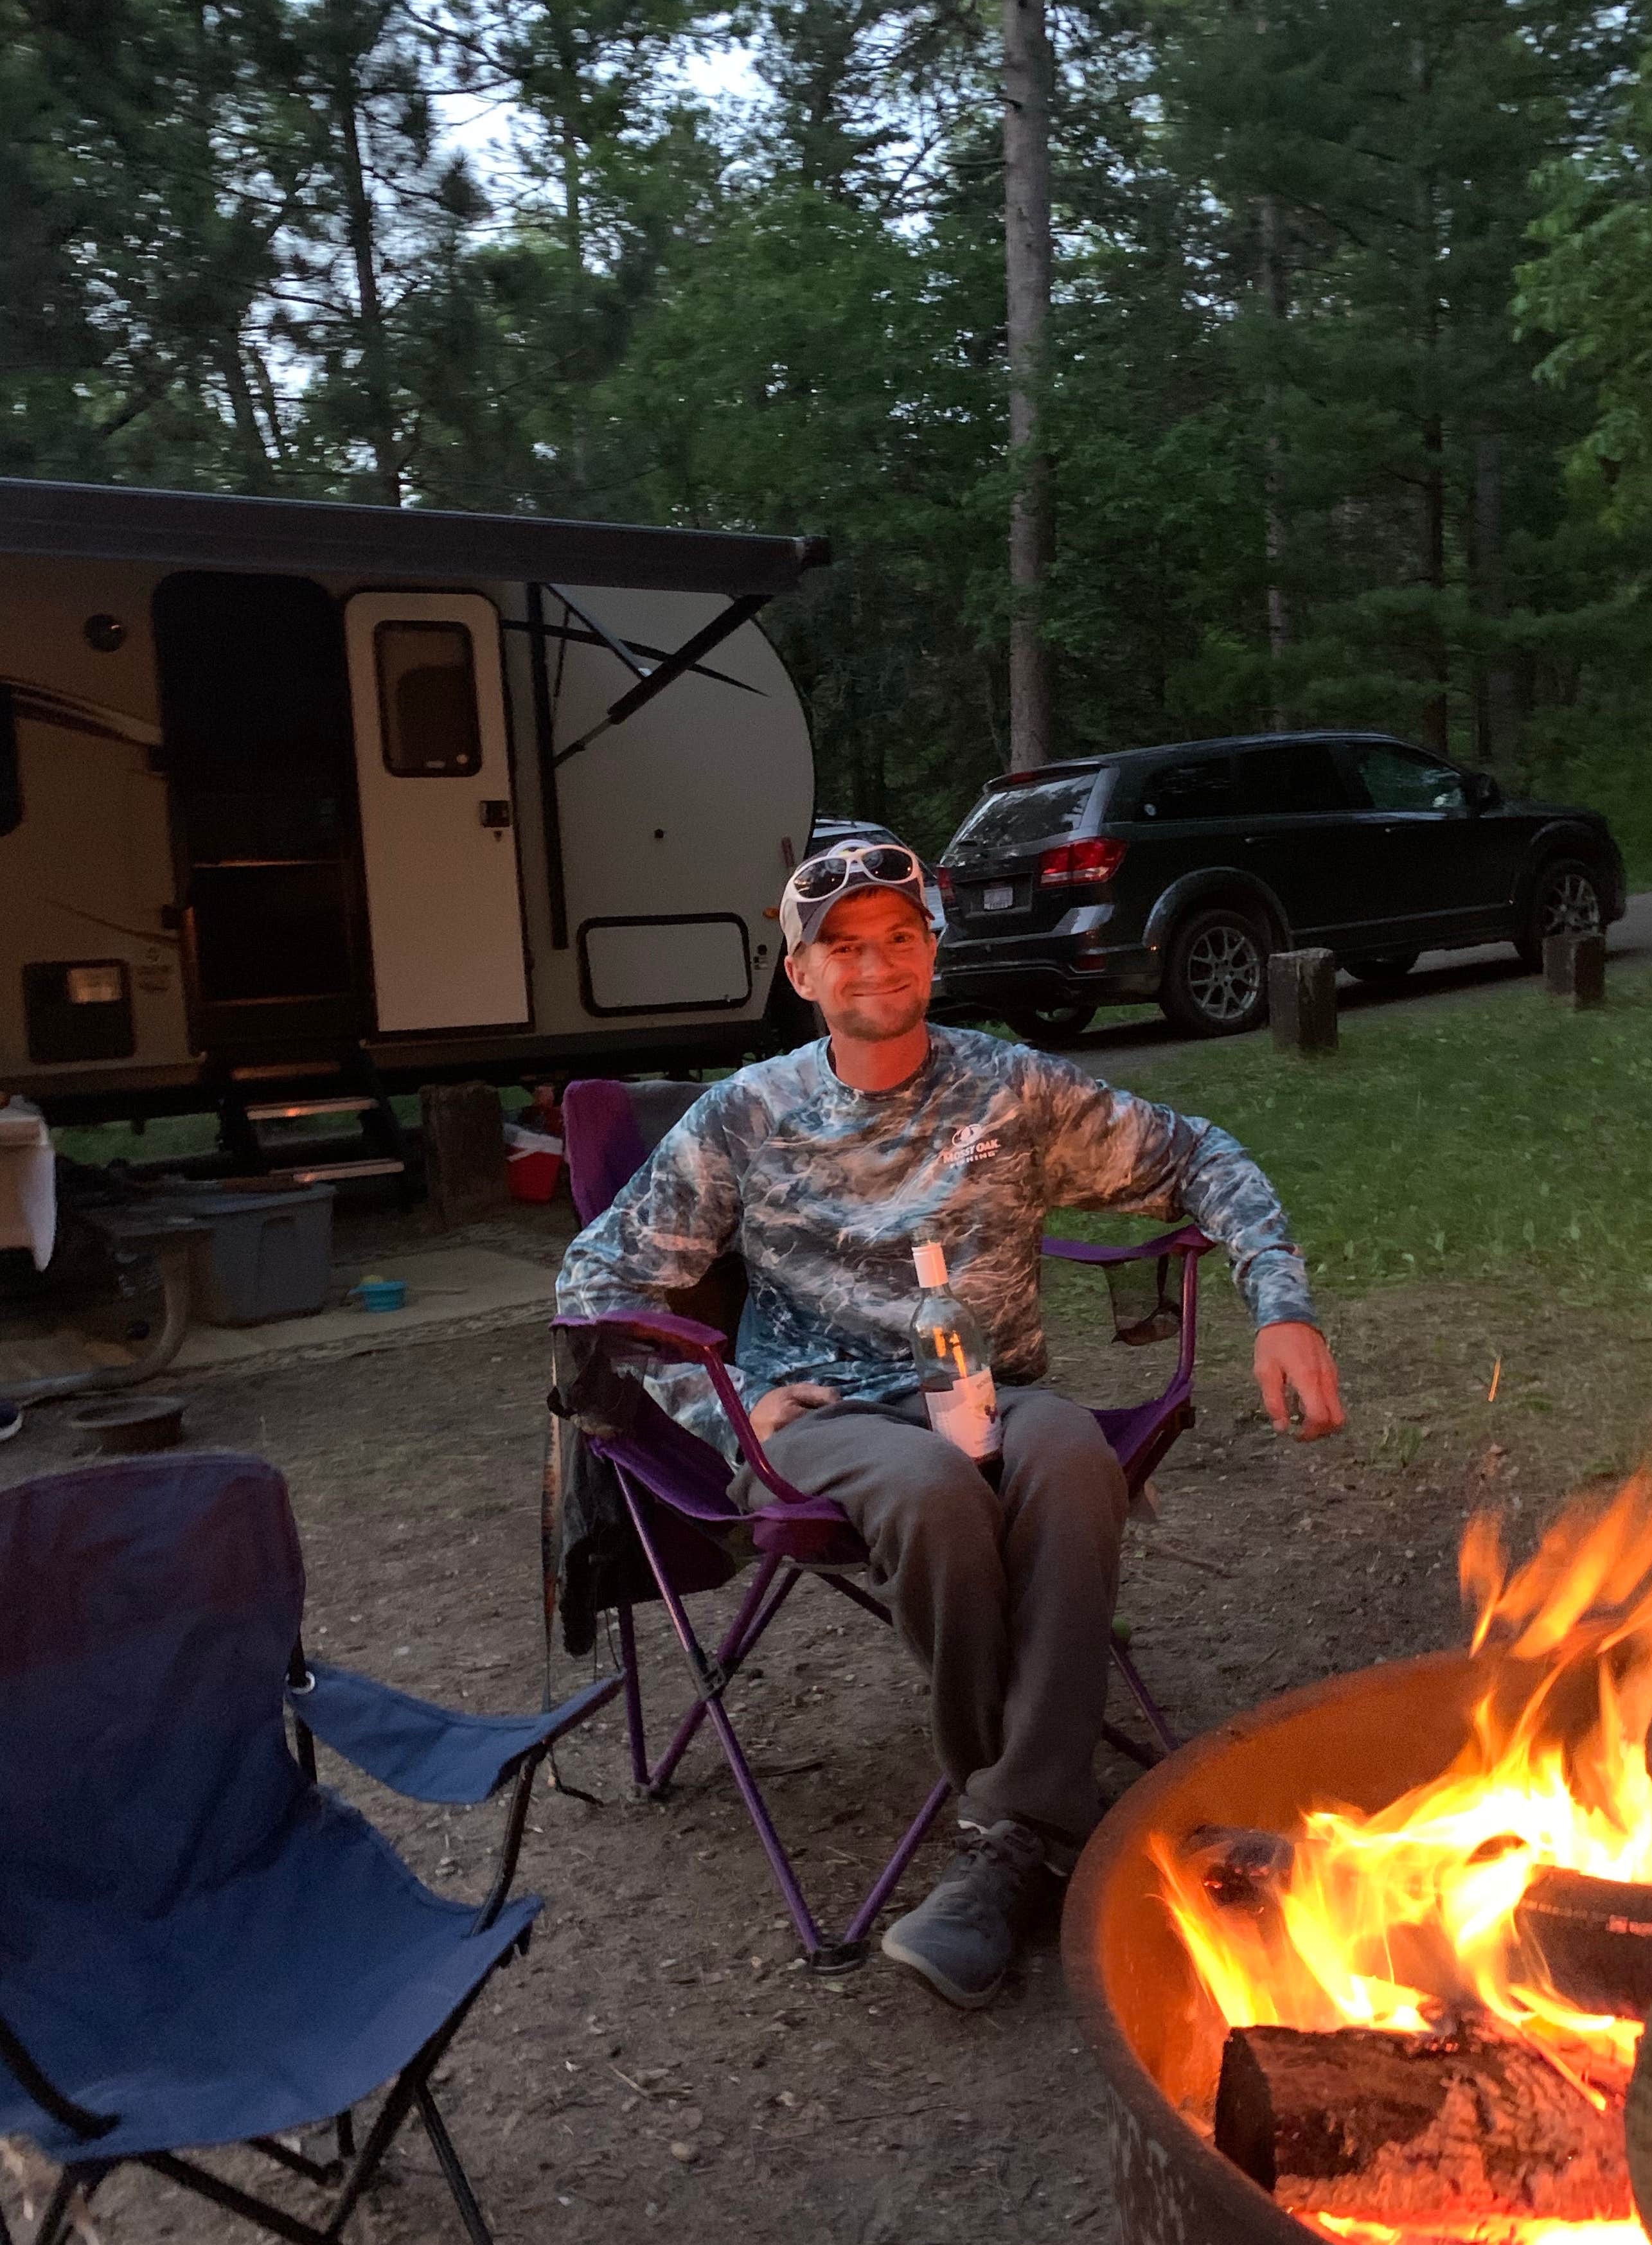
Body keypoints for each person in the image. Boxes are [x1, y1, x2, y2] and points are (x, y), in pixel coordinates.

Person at [556, 837, 1344, 2007]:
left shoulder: (1010, 1088)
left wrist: (1281, 1308)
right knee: (933, 1496)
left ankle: (1011, 1838)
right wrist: (732, 1413)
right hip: (820, 1412)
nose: (875, 964)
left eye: (899, 937)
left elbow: (1199, 1156)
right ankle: (1043, 1822)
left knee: (1072, 1455)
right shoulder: (746, 1117)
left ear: (934, 950)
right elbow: (595, 1286)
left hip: (988, 1391)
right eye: (843, 948)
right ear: (800, 973)